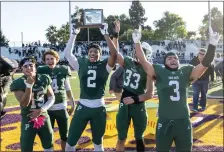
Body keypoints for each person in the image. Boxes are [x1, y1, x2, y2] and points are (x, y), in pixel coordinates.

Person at [124, 27, 221, 152]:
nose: (173, 59)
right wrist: (137, 42)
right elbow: (143, 61)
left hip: (183, 121)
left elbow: (204, 65)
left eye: (175, 58)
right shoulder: (159, 72)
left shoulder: (186, 72)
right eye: (169, 58)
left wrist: (212, 45)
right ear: (164, 63)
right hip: (164, 121)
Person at [64, 23, 118, 151]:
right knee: (71, 141)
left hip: (99, 108)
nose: (93, 53)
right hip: (82, 106)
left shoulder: (105, 65)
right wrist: (73, 34)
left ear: (100, 54)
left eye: (96, 52)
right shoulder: (81, 63)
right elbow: (67, 54)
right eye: (91, 51)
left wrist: (106, 34)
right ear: (87, 53)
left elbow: (114, 55)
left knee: (98, 143)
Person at [112, 21, 154, 152]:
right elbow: (116, 53)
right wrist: (115, 35)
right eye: (136, 50)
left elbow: (149, 94)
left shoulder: (148, 69)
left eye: (141, 51)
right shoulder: (128, 62)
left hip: (138, 103)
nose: (137, 53)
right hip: (124, 102)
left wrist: (135, 99)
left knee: (139, 137)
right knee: (121, 137)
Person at [10, 56, 55, 152]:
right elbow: (24, 103)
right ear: (22, 69)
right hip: (28, 118)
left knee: (49, 145)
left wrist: (42, 109)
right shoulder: (18, 83)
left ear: (35, 66)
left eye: (31, 65)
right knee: (26, 147)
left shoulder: (44, 78)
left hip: (43, 116)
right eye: (25, 66)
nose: (29, 68)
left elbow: (51, 98)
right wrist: (29, 86)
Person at [37, 50, 75, 151]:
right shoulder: (40, 71)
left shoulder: (63, 70)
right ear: (44, 61)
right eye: (47, 59)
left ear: (57, 59)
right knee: (48, 136)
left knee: (65, 135)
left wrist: (72, 104)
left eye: (52, 59)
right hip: (46, 108)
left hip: (61, 107)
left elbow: (68, 89)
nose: (50, 61)